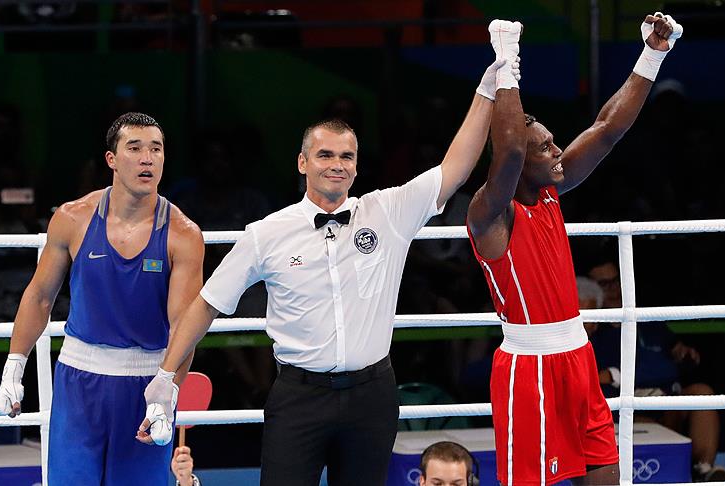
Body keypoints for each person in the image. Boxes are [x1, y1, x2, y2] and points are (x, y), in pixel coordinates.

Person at [138, 31, 521, 485]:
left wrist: (486, 89)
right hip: (298, 396)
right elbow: (205, 304)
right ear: (302, 163)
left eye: (346, 156)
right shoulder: (267, 233)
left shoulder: (388, 211)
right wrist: (165, 377)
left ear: (356, 165)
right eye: (324, 155)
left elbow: (454, 168)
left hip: (372, 393)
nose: (336, 163)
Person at [465, 13, 682, 485]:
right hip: (531, 369)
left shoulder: (548, 194)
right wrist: (506, 62)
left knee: (605, 471)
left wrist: (651, 55)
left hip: (578, 355)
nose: (557, 151)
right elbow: (509, 153)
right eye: (545, 148)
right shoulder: (489, 215)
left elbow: (606, 129)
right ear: (521, 163)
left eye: (553, 142)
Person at [0, 112, 205, 485]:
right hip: (78, 380)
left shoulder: (182, 234)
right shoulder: (73, 218)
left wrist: (167, 389)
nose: (147, 159)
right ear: (111, 159)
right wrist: (13, 368)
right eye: (134, 148)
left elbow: (183, 327)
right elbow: (39, 296)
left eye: (156, 149)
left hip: (146, 382)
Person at [581, 269, 725, 482]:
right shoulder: (593, 332)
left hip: (667, 395)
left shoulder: (649, 320)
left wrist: (683, 355)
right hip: (628, 406)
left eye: (616, 281)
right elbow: (595, 379)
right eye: (604, 284)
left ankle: (704, 470)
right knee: (644, 413)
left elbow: (672, 360)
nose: (613, 289)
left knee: (702, 393)